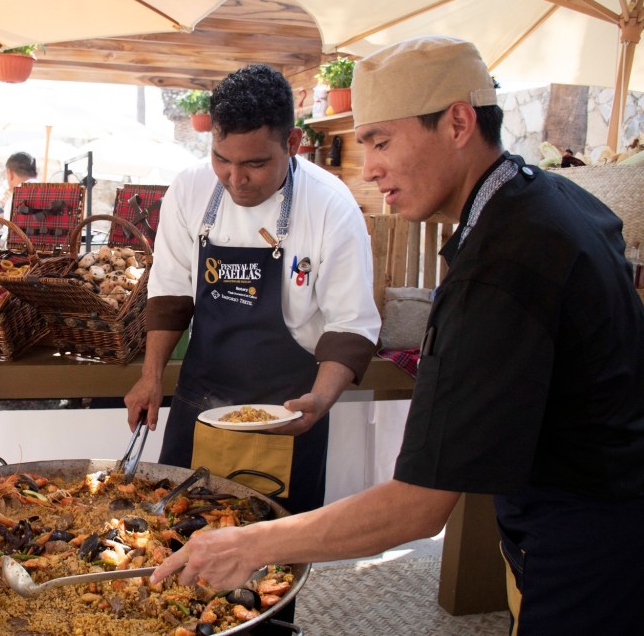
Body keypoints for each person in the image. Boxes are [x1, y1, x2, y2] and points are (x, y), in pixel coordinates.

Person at [150, 37, 644, 635]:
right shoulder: (549, 200)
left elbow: (418, 506)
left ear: (459, 122)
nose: (371, 167)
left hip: (592, 541)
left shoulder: (502, 265)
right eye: (365, 145)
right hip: (579, 518)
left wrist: (252, 543)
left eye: (382, 141)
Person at [124, 63, 380, 517]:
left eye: (255, 163)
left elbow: (351, 324)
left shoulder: (330, 205)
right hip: (199, 401)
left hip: (286, 412)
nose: (235, 178)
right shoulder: (190, 189)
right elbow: (170, 292)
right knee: (173, 546)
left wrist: (318, 401)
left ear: (293, 143)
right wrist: (150, 377)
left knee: (271, 565)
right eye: (222, 158)